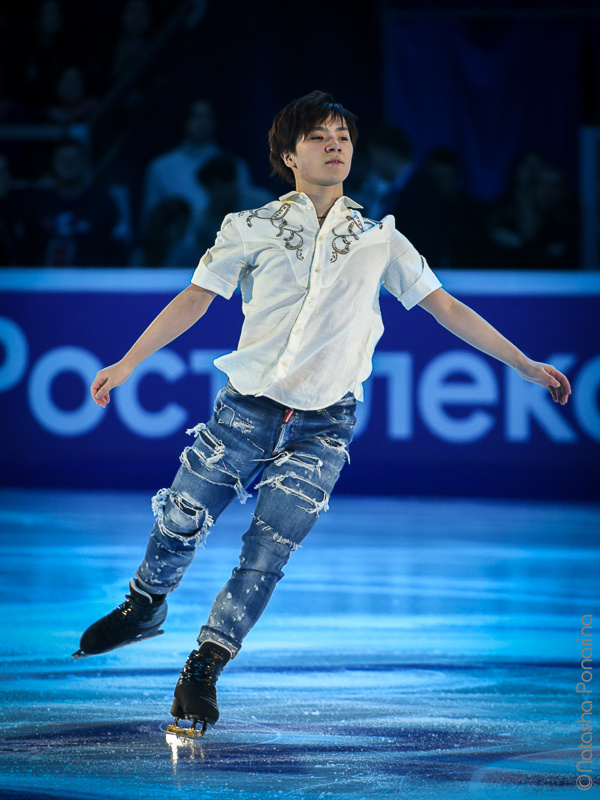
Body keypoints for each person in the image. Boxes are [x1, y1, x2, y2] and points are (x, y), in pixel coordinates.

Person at [73, 90, 571, 737]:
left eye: (343, 135)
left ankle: (206, 666)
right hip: (244, 411)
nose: (336, 144)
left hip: (325, 426)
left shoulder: (379, 238)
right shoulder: (247, 227)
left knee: (267, 552)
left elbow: (447, 308)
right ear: (288, 154)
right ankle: (145, 604)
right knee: (179, 518)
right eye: (319, 136)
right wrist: (129, 361)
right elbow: (196, 299)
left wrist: (525, 364)